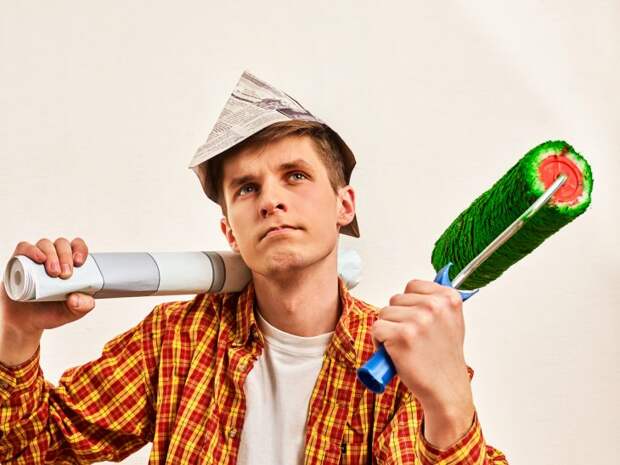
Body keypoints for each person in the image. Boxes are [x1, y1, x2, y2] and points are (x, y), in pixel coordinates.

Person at [0, 73, 508, 465]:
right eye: (247, 188)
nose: (271, 201)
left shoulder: (401, 358)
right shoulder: (177, 340)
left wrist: (450, 404)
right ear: (229, 231)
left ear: (344, 205)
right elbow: (34, 450)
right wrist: (15, 336)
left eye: (296, 176)